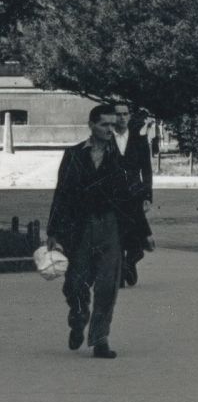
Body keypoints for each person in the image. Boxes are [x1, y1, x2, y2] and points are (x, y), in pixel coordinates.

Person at [47, 104, 139, 359]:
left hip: (110, 227)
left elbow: (130, 199)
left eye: (113, 124)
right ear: (91, 125)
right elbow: (61, 194)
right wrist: (53, 231)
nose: (111, 129)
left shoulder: (119, 156)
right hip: (80, 228)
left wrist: (144, 233)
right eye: (105, 124)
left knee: (108, 285)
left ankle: (100, 339)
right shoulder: (74, 154)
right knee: (75, 284)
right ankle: (78, 318)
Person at [112, 100, 153, 288]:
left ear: (129, 116)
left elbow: (147, 170)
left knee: (136, 241)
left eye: (125, 114)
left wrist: (147, 196)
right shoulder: (105, 138)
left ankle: (131, 262)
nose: (121, 117)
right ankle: (120, 272)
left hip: (135, 195)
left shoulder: (139, 140)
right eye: (118, 114)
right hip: (111, 195)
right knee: (117, 235)